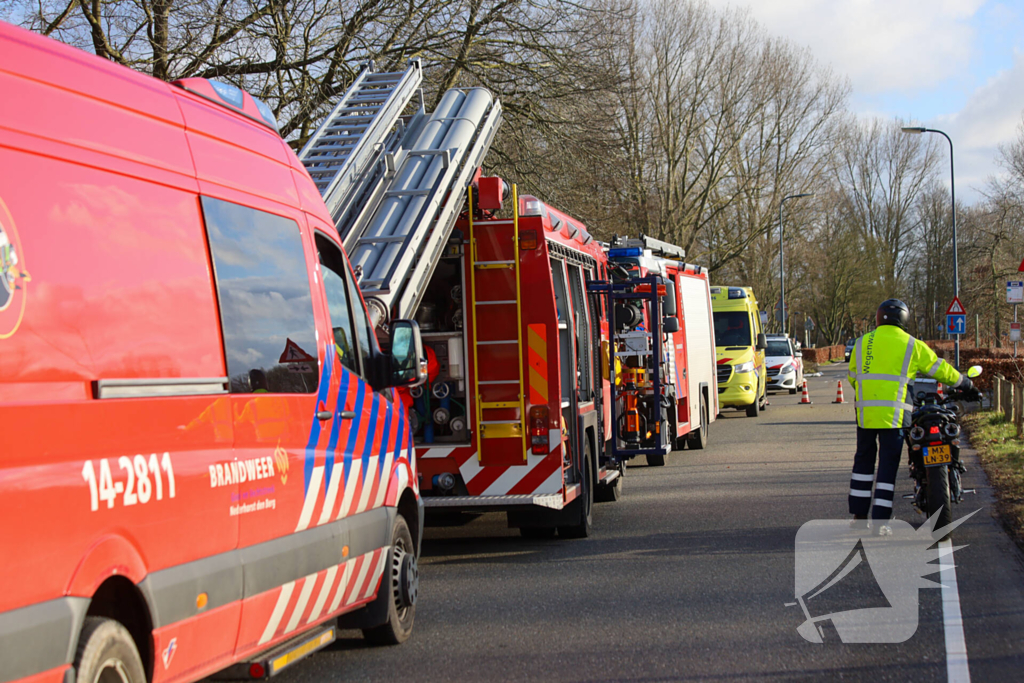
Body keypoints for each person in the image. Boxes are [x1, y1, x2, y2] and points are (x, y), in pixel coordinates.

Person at [846, 299, 976, 533]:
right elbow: (940, 369)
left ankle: (858, 516)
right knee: (887, 467)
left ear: (878, 318)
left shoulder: (862, 342)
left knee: (863, 463)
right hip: (895, 417)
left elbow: (853, 377)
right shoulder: (911, 344)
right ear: (904, 320)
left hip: (866, 415)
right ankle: (879, 523)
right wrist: (965, 383)